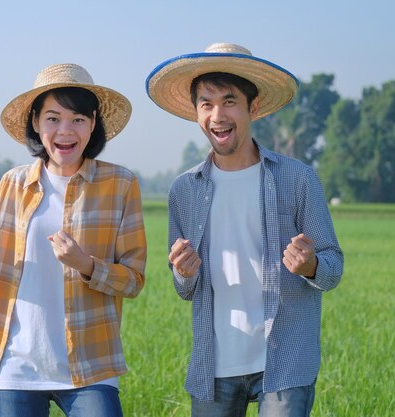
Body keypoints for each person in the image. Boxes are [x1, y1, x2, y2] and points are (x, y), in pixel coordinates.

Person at [0, 63, 146, 417]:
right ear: (35, 122)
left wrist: (86, 264)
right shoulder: (13, 184)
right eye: (53, 118)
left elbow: (134, 281)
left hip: (91, 367)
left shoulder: (120, 184)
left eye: (78, 119)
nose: (65, 131)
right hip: (15, 367)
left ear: (94, 123)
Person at [146, 43, 344, 417]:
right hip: (215, 365)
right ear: (196, 113)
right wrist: (182, 272)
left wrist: (311, 266)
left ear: (253, 107)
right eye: (206, 103)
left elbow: (333, 266)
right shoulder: (184, 190)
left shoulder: (297, 179)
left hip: (285, 359)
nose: (217, 115)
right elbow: (183, 288)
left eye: (229, 101)